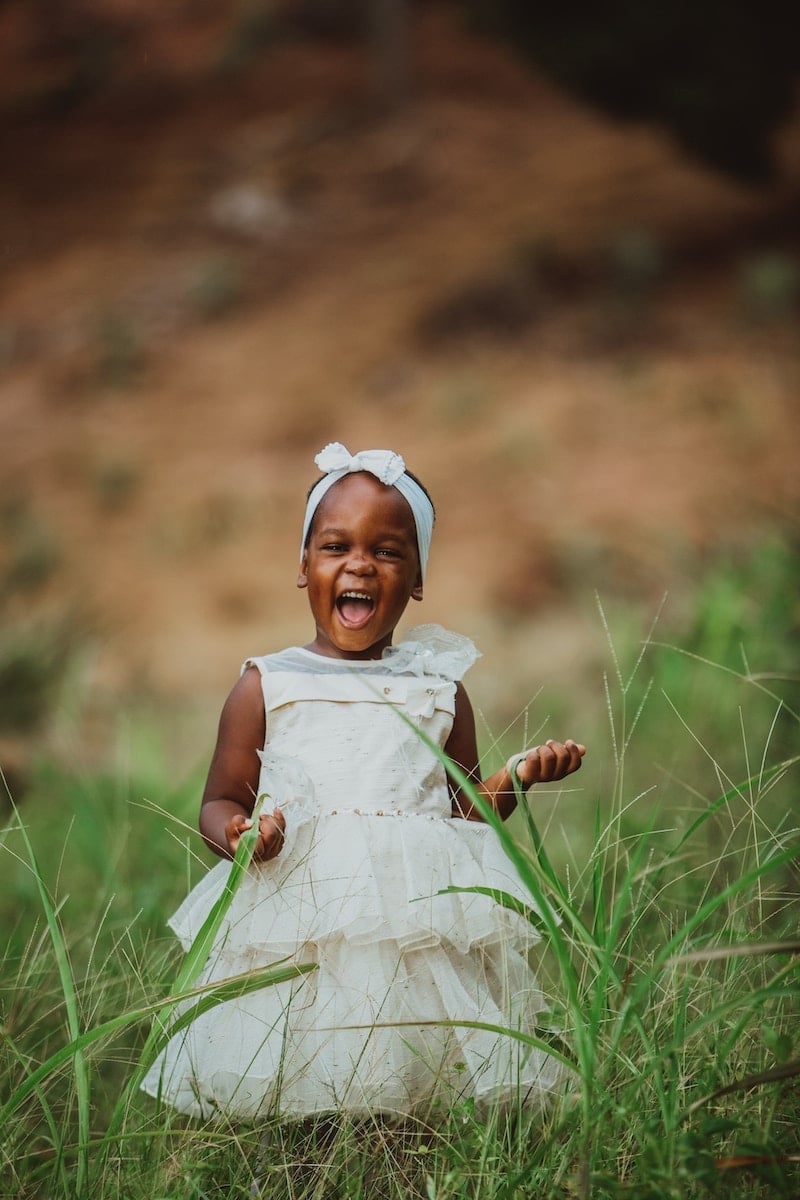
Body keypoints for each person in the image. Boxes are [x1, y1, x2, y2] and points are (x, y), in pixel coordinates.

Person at [142, 442, 585, 1122]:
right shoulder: (267, 684)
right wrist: (236, 833)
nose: (359, 564)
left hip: (412, 925)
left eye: (386, 551)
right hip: (303, 914)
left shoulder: (437, 689)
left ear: (417, 577)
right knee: (297, 1069)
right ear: (303, 567)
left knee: (417, 1089)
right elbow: (221, 797)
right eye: (335, 546)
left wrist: (515, 778)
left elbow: (464, 816)